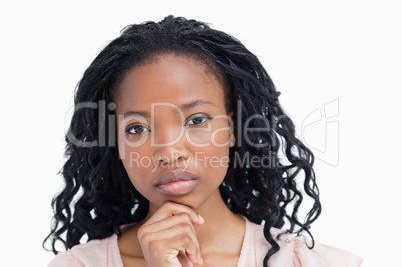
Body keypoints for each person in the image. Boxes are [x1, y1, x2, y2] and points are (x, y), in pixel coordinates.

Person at [44, 16, 363, 267]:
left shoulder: (311, 263)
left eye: (196, 120)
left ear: (234, 127)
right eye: (138, 128)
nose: (169, 153)